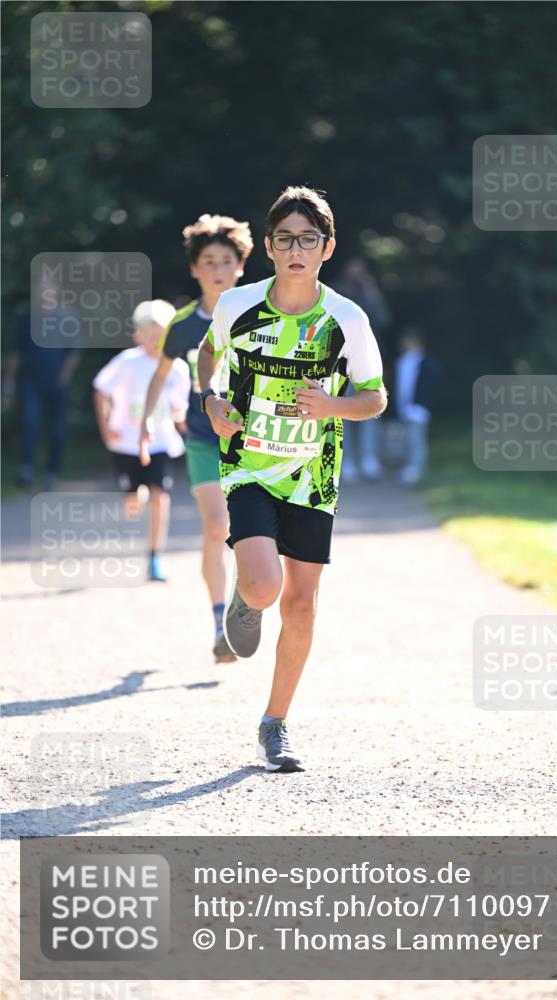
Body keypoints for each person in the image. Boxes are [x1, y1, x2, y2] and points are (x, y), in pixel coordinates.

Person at [197, 186, 387, 773]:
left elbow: (375, 398)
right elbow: (208, 355)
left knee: (301, 605)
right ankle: (245, 598)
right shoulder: (237, 305)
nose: (296, 249)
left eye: (309, 239)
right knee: (263, 588)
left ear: (327, 248)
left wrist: (333, 407)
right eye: (286, 239)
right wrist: (210, 400)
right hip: (249, 462)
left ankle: (274, 725)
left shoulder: (346, 318)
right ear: (270, 246)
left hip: (314, 474)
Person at [139, 214, 253, 659]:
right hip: (205, 439)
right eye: (209, 261)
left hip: (254, 439)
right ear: (194, 268)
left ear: (241, 265)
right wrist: (147, 422)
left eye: (226, 260)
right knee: (216, 525)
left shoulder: (257, 312)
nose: (218, 269)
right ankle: (219, 622)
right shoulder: (183, 324)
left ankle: (250, 598)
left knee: (253, 531)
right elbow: (159, 377)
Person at [93, 300, 189, 581]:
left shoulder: (178, 369)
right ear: (139, 334)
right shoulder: (127, 362)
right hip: (126, 443)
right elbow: (100, 390)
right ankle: (138, 494)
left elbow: (180, 407)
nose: (156, 340)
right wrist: (106, 425)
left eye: (162, 335)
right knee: (134, 501)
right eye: (151, 334)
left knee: (160, 495)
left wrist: (186, 423)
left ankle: (155, 556)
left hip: (159, 443)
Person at [4, 284, 81, 490]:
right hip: (30, 382)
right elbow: (16, 352)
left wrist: (64, 376)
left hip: (57, 383)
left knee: (56, 430)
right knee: (29, 424)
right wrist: (9, 382)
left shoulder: (66, 318)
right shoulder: (25, 318)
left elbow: (73, 351)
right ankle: (27, 470)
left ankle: (51, 473)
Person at [333, 257, 392, 482]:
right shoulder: (335, 292)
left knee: (371, 408)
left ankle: (369, 458)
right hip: (340, 359)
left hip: (368, 359)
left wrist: (371, 291)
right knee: (343, 410)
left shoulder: (369, 293)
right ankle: (347, 460)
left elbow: (385, 320)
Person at [394, 326, 440, 485]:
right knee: (406, 440)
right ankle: (408, 467)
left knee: (416, 440)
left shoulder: (426, 363)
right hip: (404, 408)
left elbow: (429, 386)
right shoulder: (402, 361)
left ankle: (416, 469)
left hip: (417, 409)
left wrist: (420, 404)